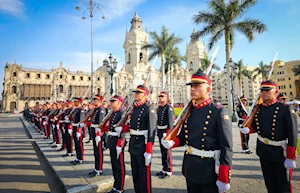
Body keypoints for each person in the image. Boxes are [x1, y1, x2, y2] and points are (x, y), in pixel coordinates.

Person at [162, 70, 233, 193]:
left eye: (197, 86)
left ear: (208, 89)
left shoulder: (218, 112)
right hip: (191, 167)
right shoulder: (190, 111)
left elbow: (226, 146)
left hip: (209, 170)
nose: (192, 89)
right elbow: (184, 137)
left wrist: (224, 176)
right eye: (191, 86)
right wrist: (173, 142)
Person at [240, 80, 298, 193]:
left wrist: (291, 157)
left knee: (283, 186)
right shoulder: (259, 108)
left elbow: (293, 134)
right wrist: (247, 129)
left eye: (267, 90)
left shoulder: (285, 109)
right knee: (270, 184)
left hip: (280, 152)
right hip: (264, 151)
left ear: (275, 91)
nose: (264, 93)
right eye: (262, 90)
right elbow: (256, 127)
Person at [117, 85, 157, 193]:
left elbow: (152, 130)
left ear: (145, 95)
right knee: (135, 173)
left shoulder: (149, 109)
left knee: (144, 175)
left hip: (143, 145)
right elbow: (131, 125)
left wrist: (149, 149)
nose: (136, 94)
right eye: (136, 92)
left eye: (139, 93)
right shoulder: (134, 108)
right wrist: (122, 129)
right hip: (133, 143)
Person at [81, 94, 106, 176]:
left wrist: (99, 134)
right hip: (94, 132)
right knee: (95, 152)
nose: (93, 101)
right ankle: (96, 168)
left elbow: (101, 123)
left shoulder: (101, 109)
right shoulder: (95, 109)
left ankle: (99, 169)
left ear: (99, 101)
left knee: (99, 152)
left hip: (97, 133)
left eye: (95, 100)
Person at [106, 95, 126, 193]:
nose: (111, 103)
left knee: (119, 165)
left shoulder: (122, 113)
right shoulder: (112, 113)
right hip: (111, 140)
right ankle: (115, 185)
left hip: (117, 142)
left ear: (119, 103)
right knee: (114, 165)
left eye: (113, 101)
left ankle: (120, 187)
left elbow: (122, 130)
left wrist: (120, 143)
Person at [155, 91, 174, 179]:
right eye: (160, 97)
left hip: (166, 132)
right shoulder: (159, 108)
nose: (160, 98)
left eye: (162, 96)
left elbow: (170, 122)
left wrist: (168, 134)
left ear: (167, 98)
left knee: (167, 152)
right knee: (163, 151)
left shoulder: (168, 107)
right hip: (160, 131)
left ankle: (169, 170)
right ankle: (164, 168)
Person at [70, 98, 85, 165]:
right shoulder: (76, 110)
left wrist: (79, 130)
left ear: (79, 102)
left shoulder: (81, 110)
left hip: (78, 128)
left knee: (79, 144)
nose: (74, 102)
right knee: (76, 143)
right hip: (74, 127)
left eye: (75, 101)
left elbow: (81, 121)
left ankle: (80, 158)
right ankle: (77, 157)